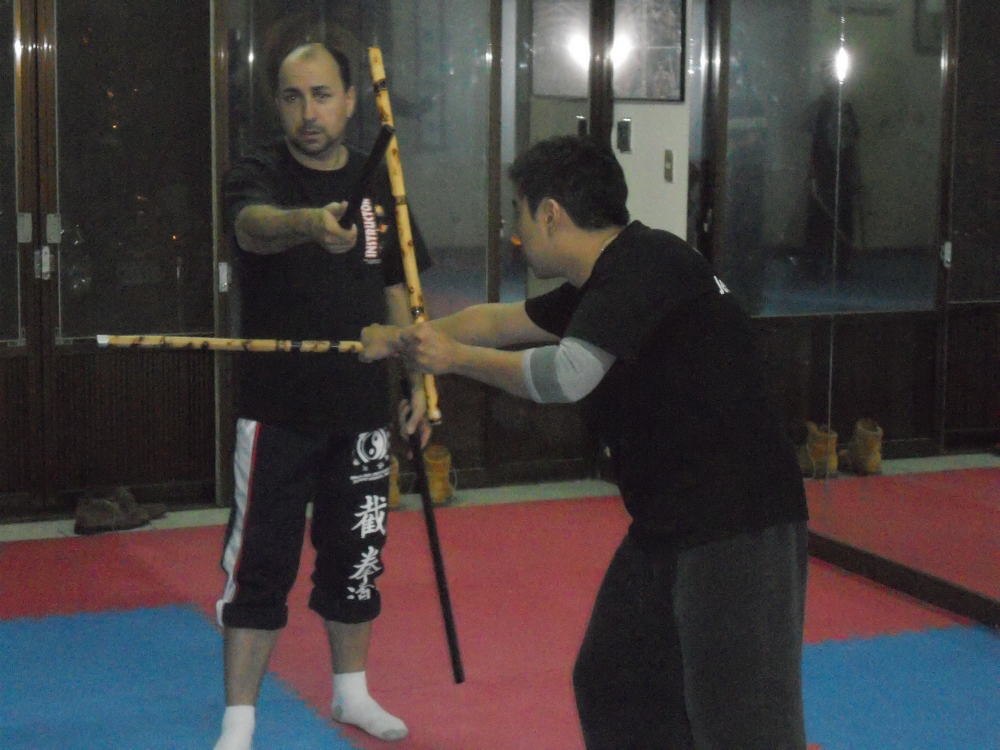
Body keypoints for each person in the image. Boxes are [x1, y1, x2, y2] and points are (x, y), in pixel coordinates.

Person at [362, 135, 809, 749]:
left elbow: (568, 375)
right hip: (669, 519)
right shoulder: (601, 281)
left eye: (518, 213)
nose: (514, 232)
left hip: (739, 521)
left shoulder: (647, 263)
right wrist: (401, 339)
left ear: (550, 214)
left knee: (741, 723)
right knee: (614, 682)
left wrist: (453, 360)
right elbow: (495, 322)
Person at [214, 42, 430, 749]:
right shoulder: (259, 172)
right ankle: (239, 722)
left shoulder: (381, 179)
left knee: (357, 555)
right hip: (277, 410)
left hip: (361, 407)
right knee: (260, 564)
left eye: (322, 94)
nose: (308, 112)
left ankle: (351, 694)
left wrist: (418, 379)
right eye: (293, 97)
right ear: (277, 105)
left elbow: (398, 287)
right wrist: (309, 223)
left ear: (351, 99)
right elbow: (251, 228)